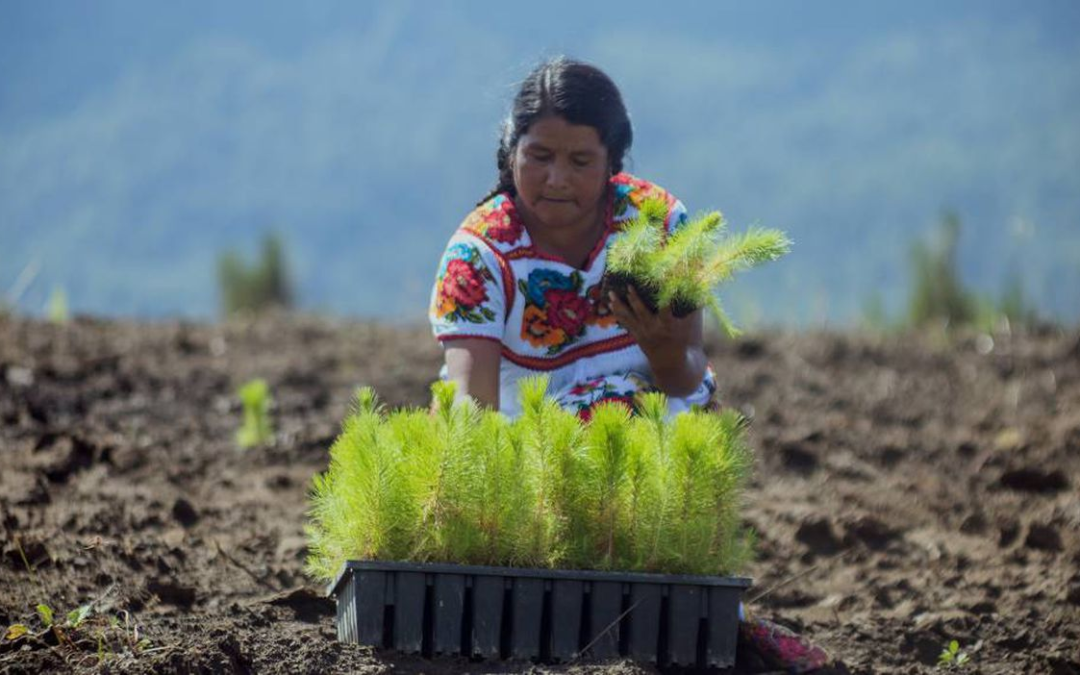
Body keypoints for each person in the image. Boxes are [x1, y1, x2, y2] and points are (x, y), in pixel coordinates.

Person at [428, 56, 839, 674]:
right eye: (538, 156)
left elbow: (687, 376)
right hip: (526, 449)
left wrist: (668, 353)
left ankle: (704, 612)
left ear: (613, 162)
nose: (556, 179)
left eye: (580, 161)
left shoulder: (654, 223)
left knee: (672, 414)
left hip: (648, 429)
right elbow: (470, 404)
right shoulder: (480, 252)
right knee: (594, 420)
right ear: (511, 153)